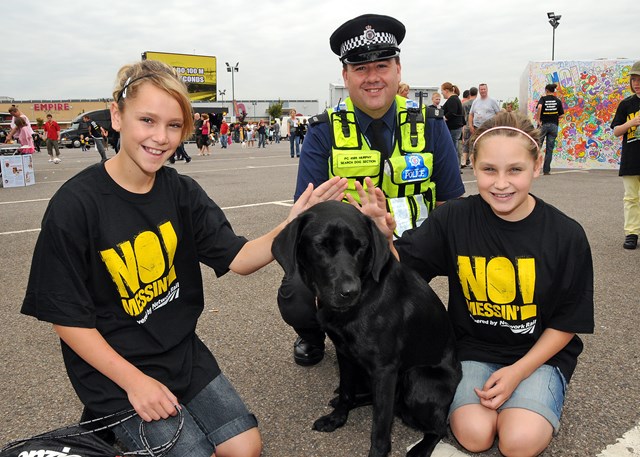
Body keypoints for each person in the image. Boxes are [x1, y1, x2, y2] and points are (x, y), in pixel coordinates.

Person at [20, 59, 348, 457]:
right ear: (116, 117)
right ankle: (106, 425)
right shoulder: (76, 205)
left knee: (245, 448)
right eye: (147, 120)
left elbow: (241, 258)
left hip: (181, 355)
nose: (161, 137)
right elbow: (66, 319)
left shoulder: (181, 191)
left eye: (174, 125)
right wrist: (135, 383)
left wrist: (292, 222)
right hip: (116, 371)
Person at [356, 111, 594, 457]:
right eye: (488, 170)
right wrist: (383, 237)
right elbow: (399, 273)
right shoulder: (454, 218)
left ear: (537, 165)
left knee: (519, 442)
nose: (501, 183)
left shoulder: (565, 234)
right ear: (472, 165)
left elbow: (567, 322)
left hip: (539, 356)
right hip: (472, 351)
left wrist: (517, 373)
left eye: (515, 169)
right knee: (474, 435)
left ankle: (536, 396)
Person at [277, 13, 464, 366]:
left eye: (382, 65)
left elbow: (452, 203)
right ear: (346, 76)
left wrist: (414, 247)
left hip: (414, 246)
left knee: (468, 248)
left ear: (398, 69)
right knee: (296, 291)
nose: (373, 77)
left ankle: (457, 333)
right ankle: (315, 332)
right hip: (348, 254)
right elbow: (308, 212)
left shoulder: (431, 124)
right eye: (361, 69)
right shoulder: (323, 131)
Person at [611, 60, 640, 250]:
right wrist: (632, 123)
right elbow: (616, 131)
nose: (636, 83)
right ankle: (632, 233)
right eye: (633, 79)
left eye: (639, 79)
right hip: (632, 159)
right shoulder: (626, 104)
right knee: (630, 198)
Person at [534, 83, 565, 175]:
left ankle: (534, 168)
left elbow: (539, 107)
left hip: (543, 125)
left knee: (537, 147)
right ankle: (546, 170)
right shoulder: (558, 101)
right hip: (554, 125)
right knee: (549, 149)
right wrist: (555, 117)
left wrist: (538, 119)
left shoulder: (543, 99)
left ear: (547, 90)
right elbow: (562, 114)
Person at [441, 82, 466, 162]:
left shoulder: (452, 100)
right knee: (454, 146)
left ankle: (454, 164)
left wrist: (444, 118)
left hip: (453, 128)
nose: (442, 93)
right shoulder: (455, 99)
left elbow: (452, 112)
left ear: (446, 90)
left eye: (442, 91)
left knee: (452, 147)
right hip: (456, 127)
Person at [461, 86, 478, 168]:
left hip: (466, 124)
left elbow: (462, 116)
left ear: (469, 94)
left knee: (465, 143)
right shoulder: (478, 103)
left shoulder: (464, 104)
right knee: (474, 143)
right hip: (476, 124)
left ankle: (464, 161)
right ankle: (472, 161)